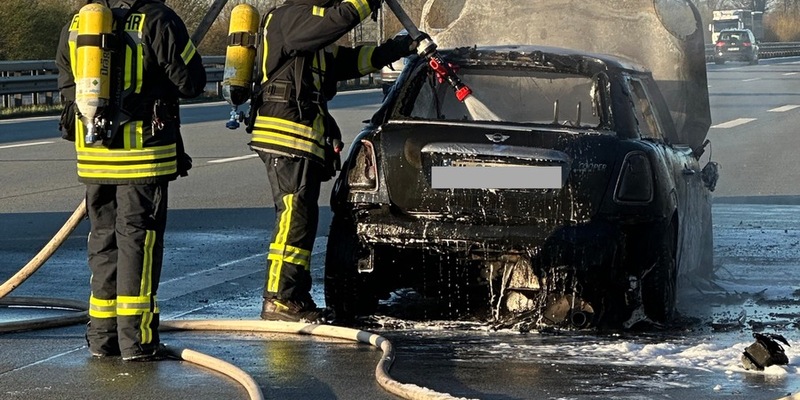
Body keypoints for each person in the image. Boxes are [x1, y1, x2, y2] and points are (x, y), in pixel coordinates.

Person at [55, 0, 206, 361]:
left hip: (94, 157)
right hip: (143, 158)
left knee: (103, 244)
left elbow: (67, 86)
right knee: (138, 244)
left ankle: (102, 338)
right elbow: (191, 81)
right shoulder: (157, 19)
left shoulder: (78, 24)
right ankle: (137, 341)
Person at [250, 0, 416, 322]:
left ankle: (292, 295)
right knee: (293, 217)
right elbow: (336, 21)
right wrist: (366, 2)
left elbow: (352, 61)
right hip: (286, 136)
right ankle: (279, 299)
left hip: (301, 138)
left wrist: (397, 47)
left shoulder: (313, 37)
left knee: (302, 219)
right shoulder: (292, 18)